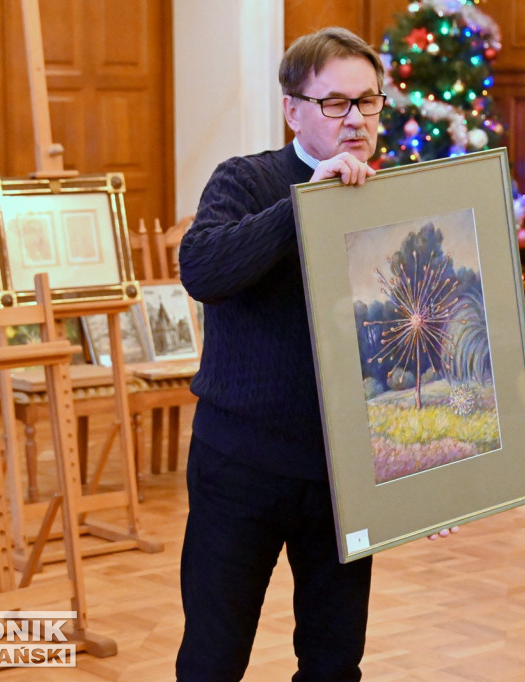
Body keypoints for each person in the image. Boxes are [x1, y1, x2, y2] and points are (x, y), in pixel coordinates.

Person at [175, 27, 455, 680]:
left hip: (343, 479)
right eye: (336, 103)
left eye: (368, 101)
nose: (356, 119)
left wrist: (437, 477)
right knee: (214, 659)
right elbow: (203, 270)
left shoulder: (394, 207)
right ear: (293, 108)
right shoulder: (245, 180)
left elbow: (417, 350)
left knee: (334, 662)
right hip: (238, 467)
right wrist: (308, 201)